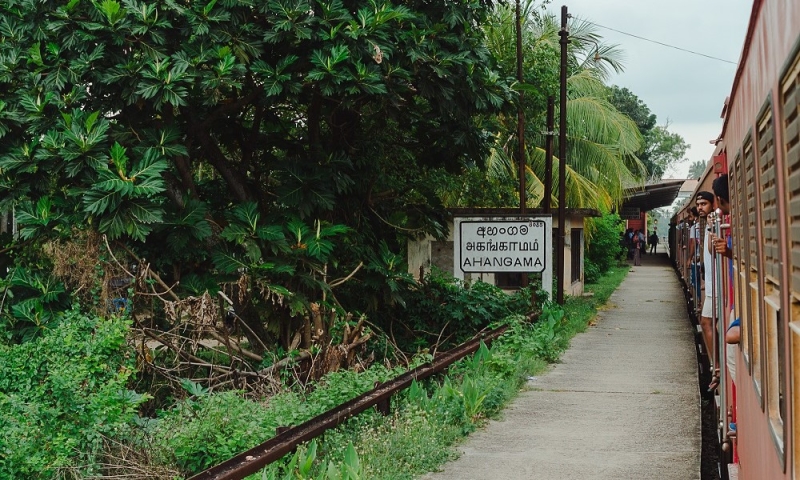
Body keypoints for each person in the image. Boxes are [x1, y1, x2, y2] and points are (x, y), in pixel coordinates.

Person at [695, 190, 717, 389]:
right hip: (710, 286)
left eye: (704, 204)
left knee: (706, 322)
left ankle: (716, 366)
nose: (700, 207)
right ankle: (715, 363)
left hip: (716, 289)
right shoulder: (709, 225)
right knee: (707, 322)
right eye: (698, 204)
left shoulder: (715, 224)